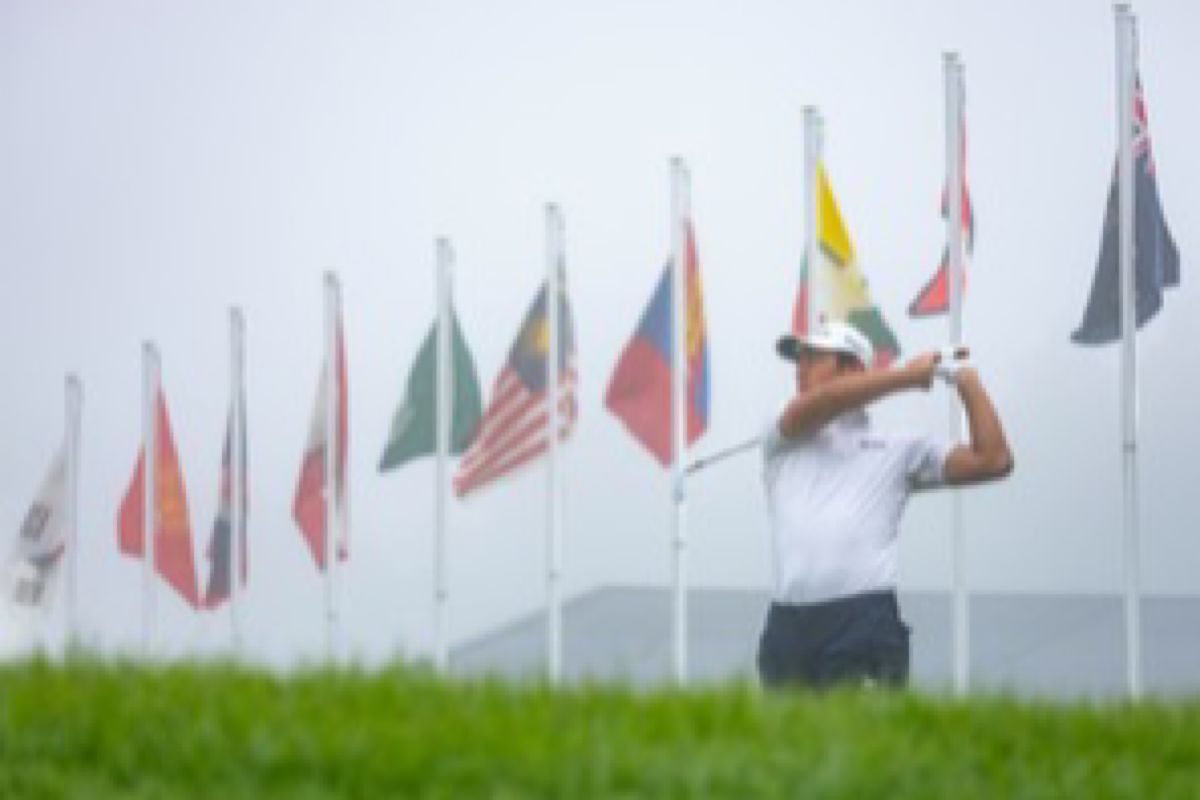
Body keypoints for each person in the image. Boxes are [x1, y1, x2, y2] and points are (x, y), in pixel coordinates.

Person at [757, 320, 1013, 690]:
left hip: (862, 621)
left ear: (853, 368)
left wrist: (963, 378)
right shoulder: (781, 429)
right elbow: (827, 401)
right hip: (785, 628)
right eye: (799, 359)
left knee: (862, 747)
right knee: (779, 748)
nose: (801, 368)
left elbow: (993, 460)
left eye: (813, 357)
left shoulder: (900, 447)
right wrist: (908, 377)